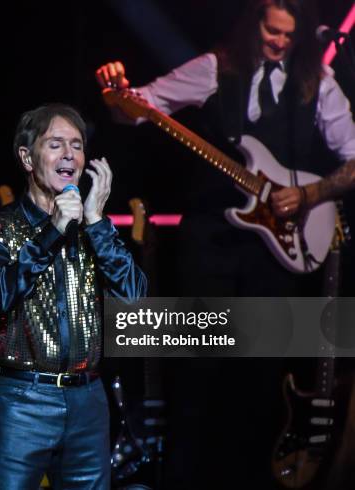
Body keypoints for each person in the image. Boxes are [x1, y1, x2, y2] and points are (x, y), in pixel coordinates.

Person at [95, 1, 355, 489]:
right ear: (253, 23)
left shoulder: (317, 84)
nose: (277, 41)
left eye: (287, 35)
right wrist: (116, 93)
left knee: (258, 384)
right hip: (209, 241)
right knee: (197, 374)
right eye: (270, 30)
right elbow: (138, 109)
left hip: (277, 251)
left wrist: (310, 193)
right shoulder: (215, 67)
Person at [0, 103, 147, 489]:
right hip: (22, 400)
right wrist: (53, 231)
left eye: (77, 145)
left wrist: (99, 222)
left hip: (88, 399)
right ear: (27, 156)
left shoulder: (93, 228)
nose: (69, 154)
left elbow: (135, 299)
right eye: (56, 144)